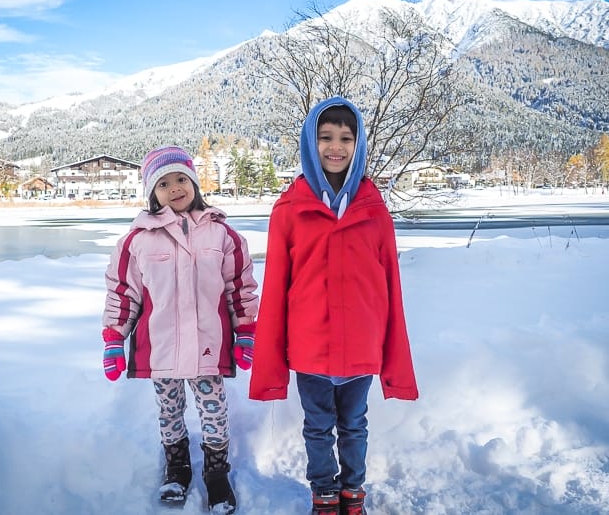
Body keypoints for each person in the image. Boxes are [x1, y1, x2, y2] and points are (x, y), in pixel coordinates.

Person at [249, 97, 418, 515]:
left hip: (362, 345)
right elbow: (276, 287)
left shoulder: (374, 208)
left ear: (358, 144)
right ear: (311, 142)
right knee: (318, 428)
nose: (335, 146)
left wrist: (390, 348)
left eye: (346, 137)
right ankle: (324, 494)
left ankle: (352, 493)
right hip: (310, 348)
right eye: (325, 137)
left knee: (355, 425)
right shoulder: (289, 209)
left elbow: (390, 285)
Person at [101, 145, 258, 514]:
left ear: (194, 183)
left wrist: (246, 331)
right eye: (163, 183)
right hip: (162, 349)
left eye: (181, 179)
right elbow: (124, 292)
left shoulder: (223, 235)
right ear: (152, 193)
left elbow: (240, 287)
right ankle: (177, 468)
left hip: (208, 347)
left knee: (214, 411)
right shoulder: (137, 241)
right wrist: (113, 338)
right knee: (169, 412)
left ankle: (217, 475)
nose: (174, 188)